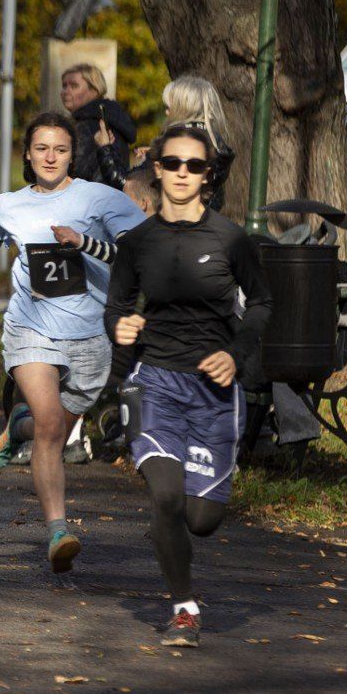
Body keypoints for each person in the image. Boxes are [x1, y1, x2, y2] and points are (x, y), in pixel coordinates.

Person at [0, 111, 146, 572]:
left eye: (61, 149)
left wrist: (84, 244)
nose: (51, 157)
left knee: (50, 428)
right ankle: (58, 531)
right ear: (28, 154)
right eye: (42, 148)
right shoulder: (10, 205)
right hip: (31, 326)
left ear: (74, 155)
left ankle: (16, 429)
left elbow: (135, 254)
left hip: (90, 333)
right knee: (52, 425)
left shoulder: (101, 199)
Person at [107, 125, 272, 647]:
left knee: (200, 519)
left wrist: (235, 353)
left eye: (193, 166)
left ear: (207, 175)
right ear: (157, 168)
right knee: (166, 496)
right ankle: (183, 609)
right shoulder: (136, 242)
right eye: (172, 163)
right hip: (153, 382)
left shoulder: (229, 239)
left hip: (214, 394)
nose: (181, 173)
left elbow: (263, 303)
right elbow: (116, 304)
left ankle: (170, 528)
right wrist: (120, 325)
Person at [155, 75, 235, 212]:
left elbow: (140, 189)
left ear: (183, 109)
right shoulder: (214, 141)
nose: (166, 112)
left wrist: (106, 149)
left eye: (169, 107)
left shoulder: (181, 142)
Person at [60, 62, 135, 187]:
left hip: (90, 198)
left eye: (74, 86)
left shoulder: (91, 124)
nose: (66, 91)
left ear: (94, 90)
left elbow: (76, 171)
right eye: (64, 86)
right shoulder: (110, 117)